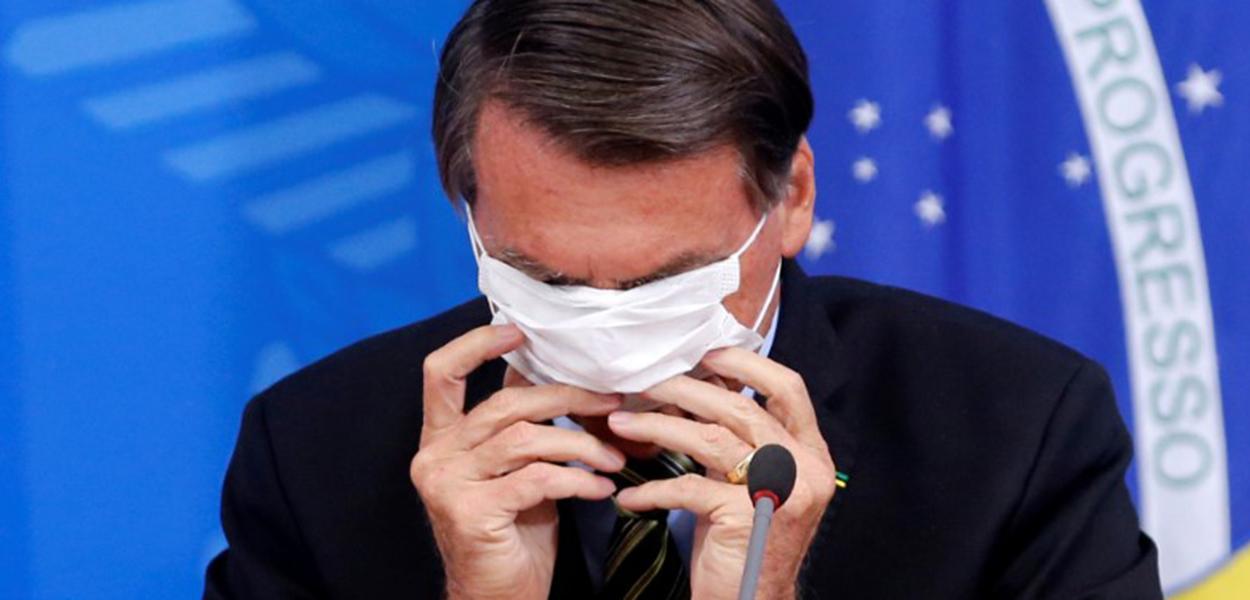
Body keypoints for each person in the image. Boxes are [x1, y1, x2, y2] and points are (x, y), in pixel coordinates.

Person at [203, 1, 1163, 598]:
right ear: (469, 212)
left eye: (668, 281)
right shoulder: (314, 450)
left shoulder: (1017, 430)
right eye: (546, 279)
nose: (610, 336)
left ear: (792, 199)